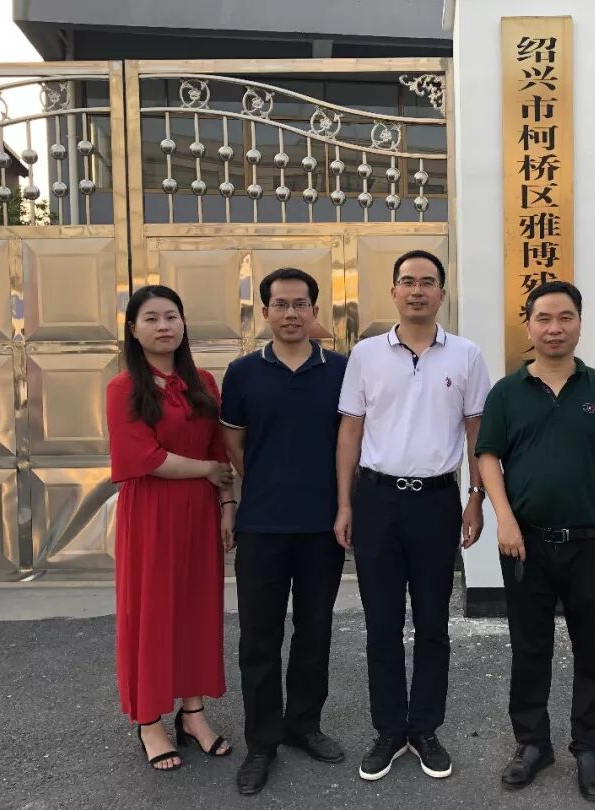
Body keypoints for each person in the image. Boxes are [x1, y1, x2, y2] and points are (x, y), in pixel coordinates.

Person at [476, 280, 595, 802]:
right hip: (525, 544)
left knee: (592, 648)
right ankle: (532, 743)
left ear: (579, 324)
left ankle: (590, 748)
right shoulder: (506, 393)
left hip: (592, 543)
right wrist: (504, 519)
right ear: (528, 325)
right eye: (543, 318)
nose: (554, 328)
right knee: (530, 647)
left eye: (565, 317)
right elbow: (488, 457)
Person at [334, 249, 491, 782]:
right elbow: (350, 431)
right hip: (376, 500)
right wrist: (345, 503)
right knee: (381, 624)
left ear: (441, 293)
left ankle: (425, 728)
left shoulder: (465, 355)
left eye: (428, 282)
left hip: (436, 502)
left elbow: (476, 432)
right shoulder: (365, 354)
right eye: (408, 281)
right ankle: (388, 730)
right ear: (394, 292)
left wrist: (475, 497)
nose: (417, 290)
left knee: (432, 623)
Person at [220, 268, 349, 795]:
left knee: (315, 630)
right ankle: (262, 741)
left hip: (322, 525)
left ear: (315, 311)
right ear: (265, 312)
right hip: (262, 525)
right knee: (260, 637)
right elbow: (234, 445)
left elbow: (351, 440)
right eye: (281, 304)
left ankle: (304, 725)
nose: (291, 313)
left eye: (301, 304)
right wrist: (259, 488)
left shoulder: (341, 370)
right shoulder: (243, 373)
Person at [106, 284, 234, 772]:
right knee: (151, 612)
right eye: (152, 318)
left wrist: (226, 506)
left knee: (197, 610)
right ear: (133, 330)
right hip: (152, 513)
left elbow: (220, 449)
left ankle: (193, 713)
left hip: (200, 512)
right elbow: (143, 457)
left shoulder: (203, 382)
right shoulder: (123, 388)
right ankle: (149, 720)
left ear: (183, 324)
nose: (164, 326)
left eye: (172, 316)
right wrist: (206, 471)